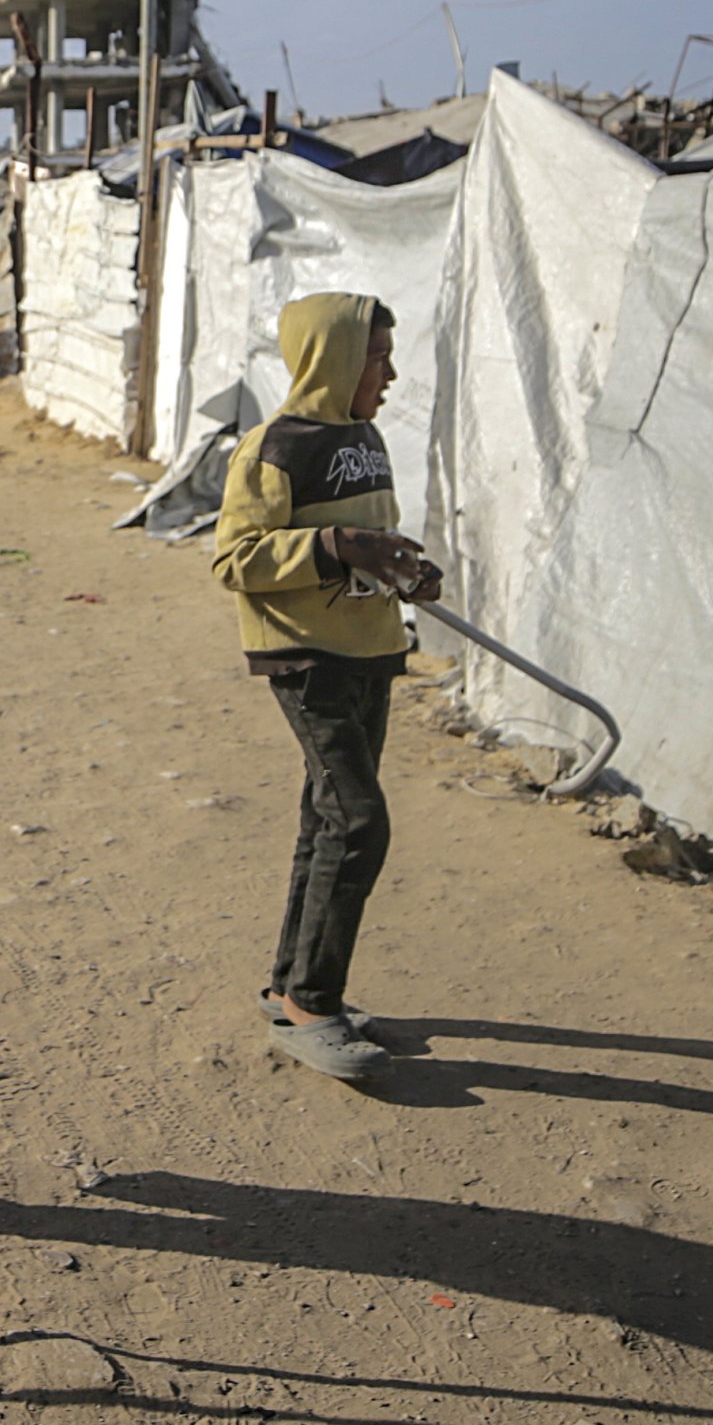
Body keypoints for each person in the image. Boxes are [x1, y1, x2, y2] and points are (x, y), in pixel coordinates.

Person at [209, 290, 438, 1090]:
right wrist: (335, 545)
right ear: (333, 359)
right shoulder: (275, 447)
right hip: (306, 657)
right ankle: (314, 1003)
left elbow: (371, 534)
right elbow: (234, 559)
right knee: (357, 819)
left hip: (368, 649)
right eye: (377, 357)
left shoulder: (365, 438)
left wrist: (402, 568)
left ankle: (291, 988)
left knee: (325, 819)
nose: (390, 373)